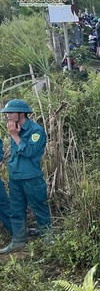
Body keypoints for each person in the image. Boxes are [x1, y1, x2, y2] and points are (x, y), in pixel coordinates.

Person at [0, 99, 52, 254]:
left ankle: (48, 238)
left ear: (21, 113)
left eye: (10, 112)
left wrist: (15, 135)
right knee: (16, 210)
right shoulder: (14, 129)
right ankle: (18, 241)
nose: (8, 116)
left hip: (31, 177)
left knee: (39, 207)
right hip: (15, 177)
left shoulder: (36, 131)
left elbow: (30, 152)